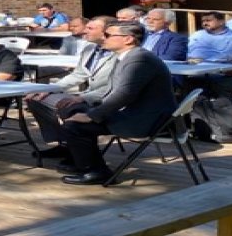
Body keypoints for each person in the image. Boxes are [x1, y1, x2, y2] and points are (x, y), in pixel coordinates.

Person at [56, 22, 177, 185]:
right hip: (135, 114)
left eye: (108, 35)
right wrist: (85, 103)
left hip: (145, 120)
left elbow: (124, 94)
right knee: (72, 109)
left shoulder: (140, 60)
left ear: (128, 39)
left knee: (75, 126)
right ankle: (80, 161)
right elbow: (111, 90)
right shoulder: (127, 57)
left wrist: (91, 115)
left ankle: (95, 172)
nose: (103, 38)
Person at [26, 16, 118, 159]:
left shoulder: (120, 54)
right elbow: (79, 74)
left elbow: (117, 87)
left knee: (71, 107)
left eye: (90, 28)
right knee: (35, 98)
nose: (85, 31)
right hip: (87, 94)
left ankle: (81, 153)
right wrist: (50, 88)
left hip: (108, 100)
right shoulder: (90, 48)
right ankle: (64, 143)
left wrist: (82, 97)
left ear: (106, 32)